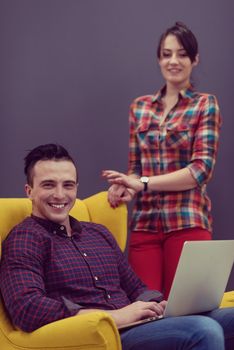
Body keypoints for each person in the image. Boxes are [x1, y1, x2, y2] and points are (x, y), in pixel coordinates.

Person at [0, 143, 234, 350]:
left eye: (68, 185)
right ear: (29, 191)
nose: (60, 195)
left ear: (76, 188)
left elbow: (135, 287)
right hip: (107, 335)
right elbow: (26, 308)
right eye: (48, 185)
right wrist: (113, 316)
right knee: (203, 330)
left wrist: (158, 304)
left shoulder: (98, 233)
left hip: (139, 324)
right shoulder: (24, 239)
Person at [103, 21, 222, 299]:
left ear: (195, 59)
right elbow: (136, 168)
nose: (174, 61)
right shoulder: (140, 107)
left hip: (187, 222)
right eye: (167, 54)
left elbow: (199, 171)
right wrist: (124, 185)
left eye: (182, 54)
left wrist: (141, 183)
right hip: (145, 225)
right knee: (146, 312)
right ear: (159, 59)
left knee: (187, 312)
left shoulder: (205, 104)